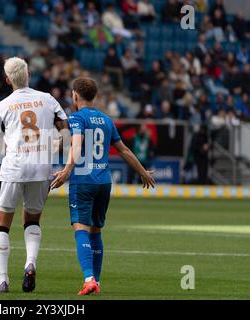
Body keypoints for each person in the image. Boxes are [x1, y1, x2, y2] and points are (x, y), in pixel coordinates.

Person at [51, 77, 155, 295]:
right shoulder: (106, 120)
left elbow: (76, 144)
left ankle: (88, 278)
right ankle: (96, 282)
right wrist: (142, 171)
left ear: (75, 95)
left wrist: (67, 170)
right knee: (96, 231)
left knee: (81, 229)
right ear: (94, 96)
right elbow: (124, 150)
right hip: (104, 182)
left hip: (83, 182)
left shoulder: (77, 118)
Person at [0, 57, 69, 293]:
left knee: (1, 225)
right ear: (28, 73)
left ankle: (3, 280)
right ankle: (30, 262)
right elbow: (65, 129)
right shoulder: (48, 99)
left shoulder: (2, 106)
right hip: (41, 169)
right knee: (32, 221)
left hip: (13, 168)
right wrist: (56, 148)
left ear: (7, 79)